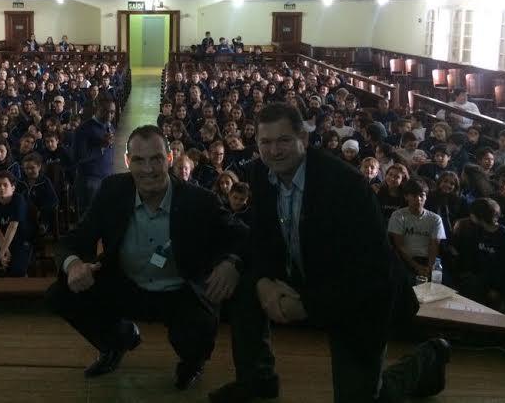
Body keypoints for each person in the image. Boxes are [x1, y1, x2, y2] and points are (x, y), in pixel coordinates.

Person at [211, 103, 449, 403]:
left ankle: (427, 359)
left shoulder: (346, 184)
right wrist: (261, 281)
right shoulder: (261, 173)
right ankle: (257, 381)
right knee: (244, 285)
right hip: (307, 273)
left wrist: (307, 305)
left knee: (362, 397)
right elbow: (262, 237)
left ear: (304, 139)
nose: (274, 150)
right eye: (265, 142)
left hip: (360, 294)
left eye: (283, 140)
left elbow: (367, 270)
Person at [46, 125, 248, 391]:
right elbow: (74, 239)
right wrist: (73, 264)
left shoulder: (199, 201)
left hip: (180, 290)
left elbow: (243, 236)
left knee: (197, 332)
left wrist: (232, 262)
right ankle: (117, 341)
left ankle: (192, 362)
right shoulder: (112, 190)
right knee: (59, 293)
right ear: (128, 161)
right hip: (126, 283)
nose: (148, 169)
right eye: (139, 160)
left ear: (170, 159)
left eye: (156, 159)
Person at [72, 95, 115, 217]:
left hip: (106, 177)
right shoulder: (83, 129)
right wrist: (101, 147)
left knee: (105, 215)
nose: (109, 115)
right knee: (89, 217)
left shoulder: (109, 126)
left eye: (112, 112)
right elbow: (78, 157)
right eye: (105, 111)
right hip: (90, 181)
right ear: (97, 109)